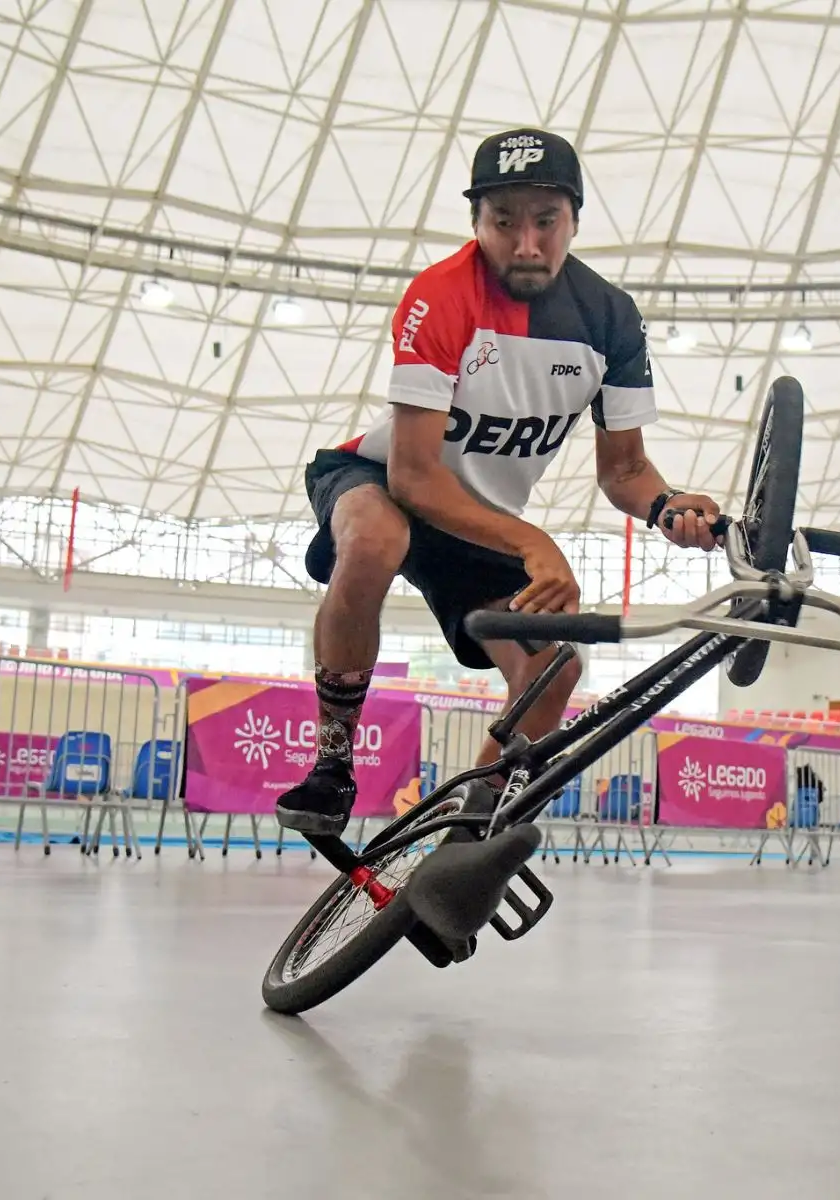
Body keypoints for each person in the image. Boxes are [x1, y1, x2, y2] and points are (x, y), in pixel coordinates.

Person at [276, 127, 725, 835]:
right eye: (503, 222)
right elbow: (414, 475)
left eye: (545, 222)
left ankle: (458, 838)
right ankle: (331, 768)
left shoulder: (610, 319)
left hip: (476, 518)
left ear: (573, 219)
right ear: (476, 222)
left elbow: (627, 470)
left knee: (556, 672)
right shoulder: (440, 296)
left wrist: (668, 507)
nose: (526, 244)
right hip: (383, 479)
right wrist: (535, 542)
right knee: (373, 539)